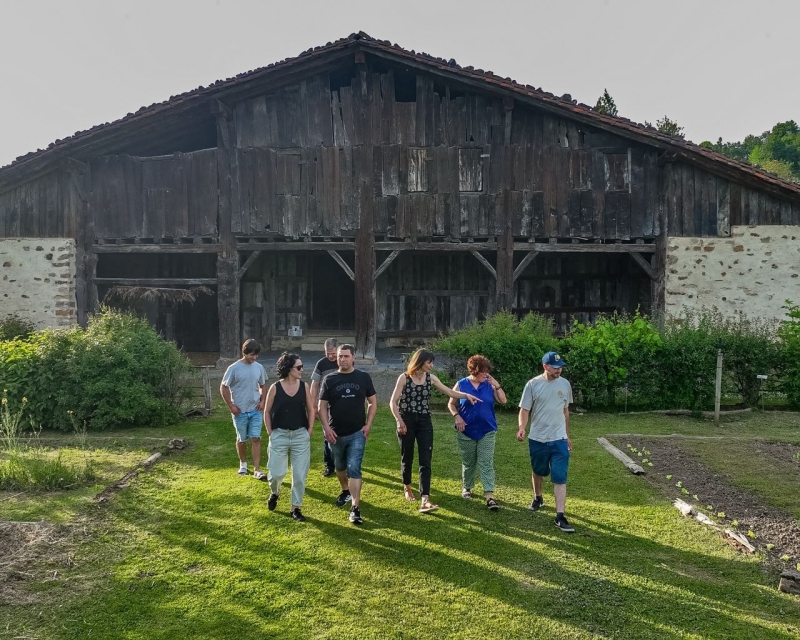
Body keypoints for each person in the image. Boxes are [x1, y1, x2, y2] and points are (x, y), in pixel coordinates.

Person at [389, 348, 481, 513]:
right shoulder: (404, 378)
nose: (431, 365)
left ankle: (425, 498)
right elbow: (393, 402)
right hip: (406, 420)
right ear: (420, 361)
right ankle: (407, 487)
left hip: (424, 421)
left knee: (426, 459)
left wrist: (467, 396)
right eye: (429, 362)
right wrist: (399, 421)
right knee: (407, 455)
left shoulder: (431, 379)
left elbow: (449, 392)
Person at [317, 344, 377, 525]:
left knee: (354, 468)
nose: (342, 359)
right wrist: (327, 428)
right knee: (339, 467)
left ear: (353, 358)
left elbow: (373, 403)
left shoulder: (363, 377)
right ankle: (345, 490)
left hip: (357, 432)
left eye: (346, 356)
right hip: (336, 433)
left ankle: (355, 508)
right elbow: (321, 406)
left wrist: (368, 424)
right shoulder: (329, 379)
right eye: (339, 356)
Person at [517, 351, 575, 533]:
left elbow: (565, 411)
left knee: (560, 476)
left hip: (559, 439)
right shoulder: (533, 384)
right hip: (538, 438)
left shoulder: (565, 384)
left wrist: (567, 435)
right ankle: (538, 497)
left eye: (561, 367)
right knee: (538, 471)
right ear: (545, 366)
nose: (559, 370)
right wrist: (522, 427)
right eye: (555, 367)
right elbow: (524, 410)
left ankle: (560, 516)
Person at [447, 355, 506, 511]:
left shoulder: (489, 385)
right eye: (482, 372)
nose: (485, 375)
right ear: (474, 371)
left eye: (487, 372)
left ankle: (489, 496)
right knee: (469, 462)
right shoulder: (461, 384)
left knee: (486, 462)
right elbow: (451, 404)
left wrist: (497, 385)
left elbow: (503, 401)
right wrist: (457, 417)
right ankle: (467, 487)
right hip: (466, 430)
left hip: (487, 429)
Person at [263, 352, 315, 522]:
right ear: (288, 369)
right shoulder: (275, 388)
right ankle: (275, 492)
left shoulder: (304, 386)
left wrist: (309, 430)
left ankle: (295, 508)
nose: (302, 370)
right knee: (277, 473)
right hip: (280, 435)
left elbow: (311, 409)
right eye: (298, 367)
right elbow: (267, 411)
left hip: (300, 435)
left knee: (299, 475)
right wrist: (271, 432)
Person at [220, 339, 268, 479]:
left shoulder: (259, 367)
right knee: (242, 439)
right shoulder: (233, 368)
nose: (254, 357)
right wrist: (231, 405)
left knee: (256, 438)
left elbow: (263, 385)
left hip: (255, 410)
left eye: (256, 355)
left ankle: (257, 470)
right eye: (252, 354)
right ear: (245, 352)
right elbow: (223, 387)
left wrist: (263, 400)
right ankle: (243, 465)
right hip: (239, 410)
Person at [310, 338, 339, 477]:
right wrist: (313, 405)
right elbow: (314, 385)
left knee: (343, 433)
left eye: (333, 353)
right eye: (328, 353)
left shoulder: (343, 360)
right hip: (324, 404)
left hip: (340, 404)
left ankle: (343, 463)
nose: (331, 356)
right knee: (327, 434)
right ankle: (329, 465)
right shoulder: (321, 364)